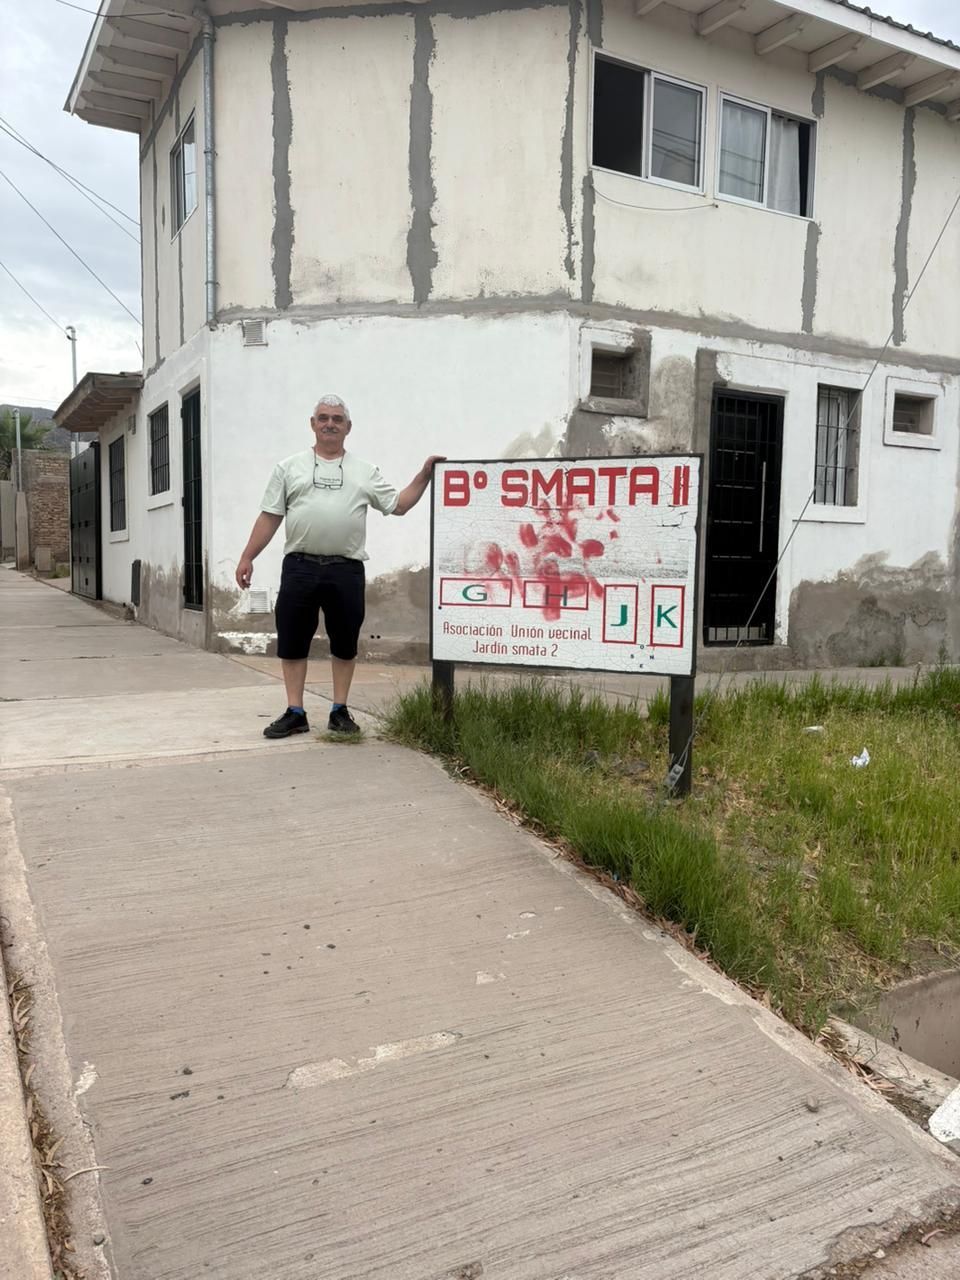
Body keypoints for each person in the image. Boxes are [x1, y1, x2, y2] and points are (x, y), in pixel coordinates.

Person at [236, 395, 443, 737]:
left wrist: (423, 475)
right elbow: (271, 515)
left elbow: (398, 506)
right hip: (300, 566)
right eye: (323, 418)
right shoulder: (288, 468)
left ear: (348, 427)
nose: (329, 423)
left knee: (344, 641)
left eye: (336, 418)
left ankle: (339, 710)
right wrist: (247, 556)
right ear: (312, 424)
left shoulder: (364, 472)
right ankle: (295, 711)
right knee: (292, 639)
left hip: (345, 570)